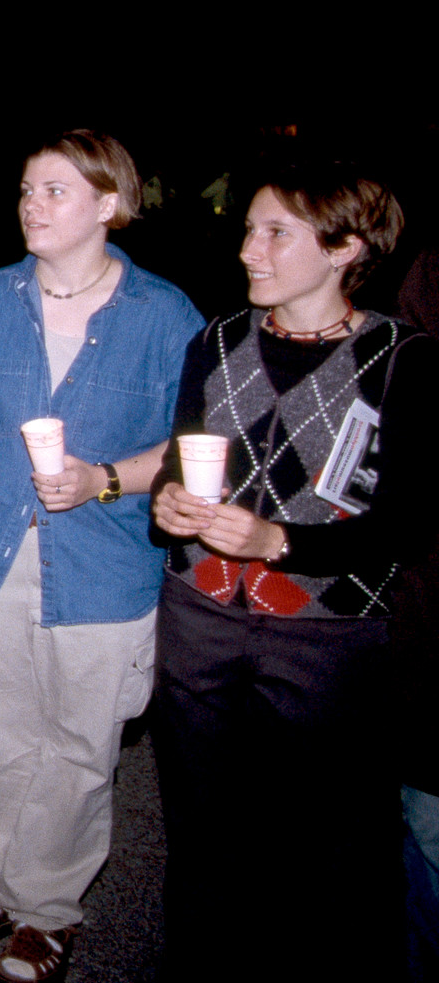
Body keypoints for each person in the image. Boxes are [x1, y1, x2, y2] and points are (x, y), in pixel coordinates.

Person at [0, 131, 202, 983]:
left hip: (105, 562)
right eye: (26, 190)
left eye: (55, 190)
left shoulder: (165, 315)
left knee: (79, 741)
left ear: (108, 204)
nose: (32, 205)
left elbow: (187, 449)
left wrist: (103, 477)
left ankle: (47, 908)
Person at [150, 163, 433, 982]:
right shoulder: (214, 341)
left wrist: (281, 542)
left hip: (330, 638)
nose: (249, 249)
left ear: (346, 247)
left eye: (276, 232)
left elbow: (408, 527)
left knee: (325, 844)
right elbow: (178, 467)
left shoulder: (402, 360)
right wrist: (166, 510)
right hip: (201, 618)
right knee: (201, 830)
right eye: (249, 228)